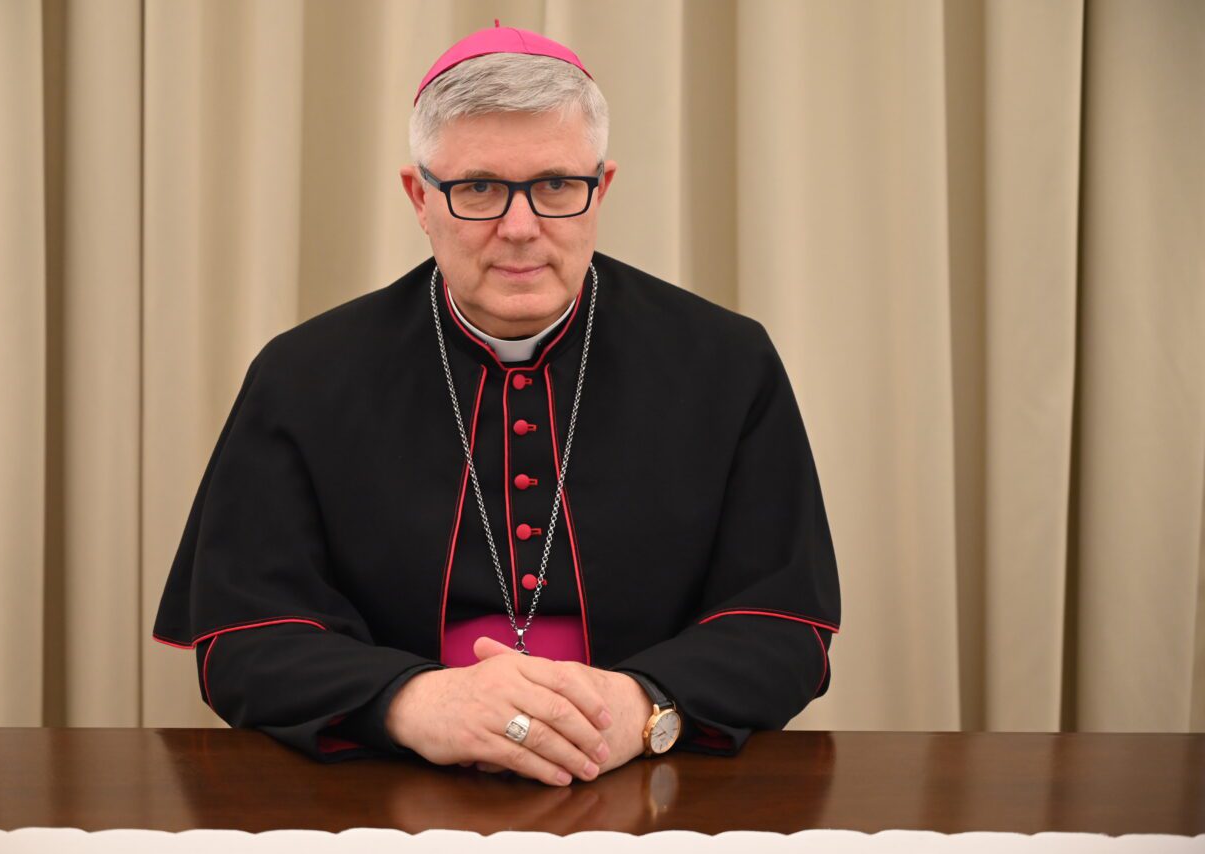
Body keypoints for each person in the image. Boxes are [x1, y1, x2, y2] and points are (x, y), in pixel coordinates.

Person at [153, 22, 840, 787]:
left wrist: (640, 708)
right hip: (385, 786)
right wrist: (412, 704)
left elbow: (784, 625)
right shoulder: (304, 376)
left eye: (556, 186)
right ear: (420, 197)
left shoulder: (726, 365)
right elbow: (243, 636)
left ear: (602, 188)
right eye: (478, 188)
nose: (520, 229)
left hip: (651, 786)